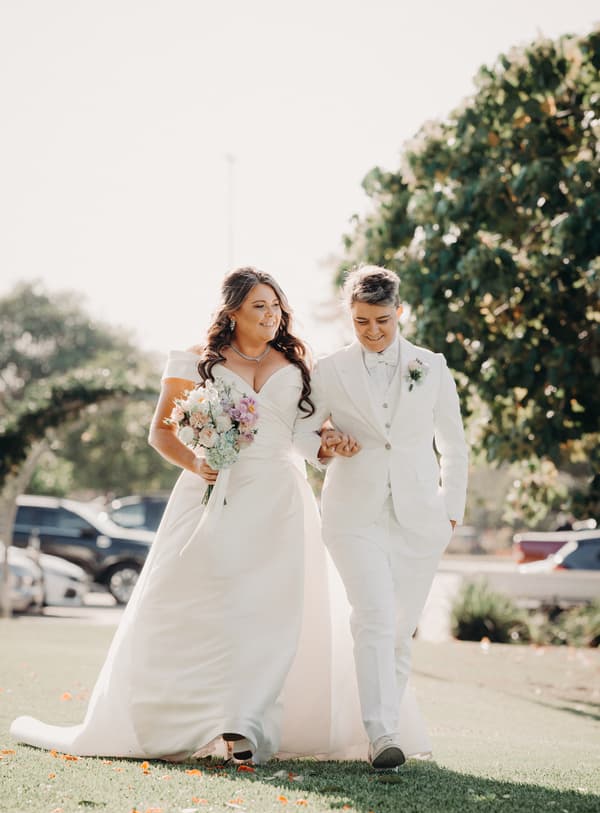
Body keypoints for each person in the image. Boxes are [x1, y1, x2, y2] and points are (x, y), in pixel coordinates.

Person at [8, 266, 431, 764]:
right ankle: (195, 718)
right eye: (259, 307)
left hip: (281, 500)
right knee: (210, 606)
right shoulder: (195, 360)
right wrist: (199, 461)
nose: (272, 315)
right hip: (213, 493)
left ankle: (246, 726)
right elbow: (161, 433)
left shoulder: (297, 360)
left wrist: (329, 445)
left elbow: (304, 434)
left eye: (276, 306)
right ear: (232, 311)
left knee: (273, 614)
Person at [295, 264, 468, 768]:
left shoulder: (431, 366)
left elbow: (453, 443)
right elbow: (301, 431)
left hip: (421, 516)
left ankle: (386, 723)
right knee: (372, 616)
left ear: (400, 313)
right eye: (361, 322)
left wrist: (450, 511)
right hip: (353, 514)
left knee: (399, 628)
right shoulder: (330, 369)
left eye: (381, 322)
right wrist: (325, 446)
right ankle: (383, 735)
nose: (371, 332)